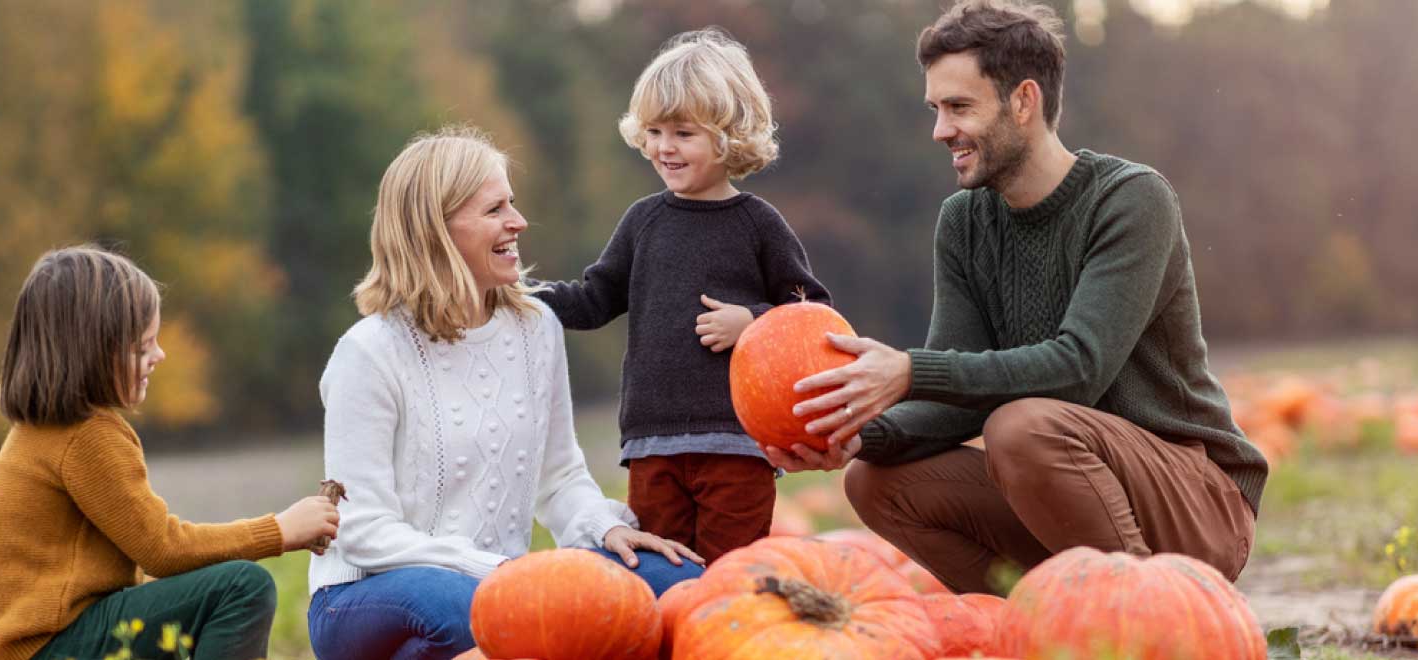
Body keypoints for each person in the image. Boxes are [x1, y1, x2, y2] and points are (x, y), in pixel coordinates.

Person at [766, 0, 1268, 594]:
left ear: (1023, 102)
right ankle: (1041, 623)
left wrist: (907, 370)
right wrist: (857, 439)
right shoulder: (964, 222)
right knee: (874, 481)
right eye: (935, 109)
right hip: (1068, 493)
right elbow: (956, 403)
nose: (940, 130)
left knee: (1020, 428)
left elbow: (1080, 368)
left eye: (959, 107)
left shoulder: (1131, 200)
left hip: (1195, 497)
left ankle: (1149, 616)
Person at [308, 127, 704, 660]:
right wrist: (499, 573)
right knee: (465, 609)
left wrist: (604, 528)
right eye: (495, 210)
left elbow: (560, 478)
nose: (517, 222)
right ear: (435, 231)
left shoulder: (536, 326)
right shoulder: (369, 353)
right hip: (366, 592)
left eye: (511, 204)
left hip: (499, 585)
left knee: (665, 583)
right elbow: (365, 532)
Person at [534, 28, 831, 564]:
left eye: (683, 133)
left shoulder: (758, 224)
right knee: (660, 575)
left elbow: (813, 314)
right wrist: (523, 297)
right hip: (651, 445)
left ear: (730, 137)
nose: (663, 147)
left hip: (737, 444)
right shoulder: (643, 221)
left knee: (724, 577)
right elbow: (593, 298)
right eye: (653, 131)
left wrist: (754, 322)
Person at [0, 246, 340, 660]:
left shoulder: (41, 432)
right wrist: (280, 530)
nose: (158, 356)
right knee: (242, 587)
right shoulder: (86, 436)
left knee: (190, 603)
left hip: (39, 645)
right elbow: (164, 550)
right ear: (92, 354)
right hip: (52, 648)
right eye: (142, 347)